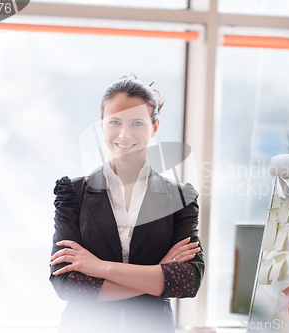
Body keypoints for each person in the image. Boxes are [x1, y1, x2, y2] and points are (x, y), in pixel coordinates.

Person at [49, 76, 205, 333]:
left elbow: (187, 281)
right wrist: (158, 274)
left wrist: (99, 268)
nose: (124, 134)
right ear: (102, 126)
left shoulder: (180, 198)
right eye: (115, 122)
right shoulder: (72, 194)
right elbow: (66, 282)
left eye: (136, 123)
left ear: (154, 127)